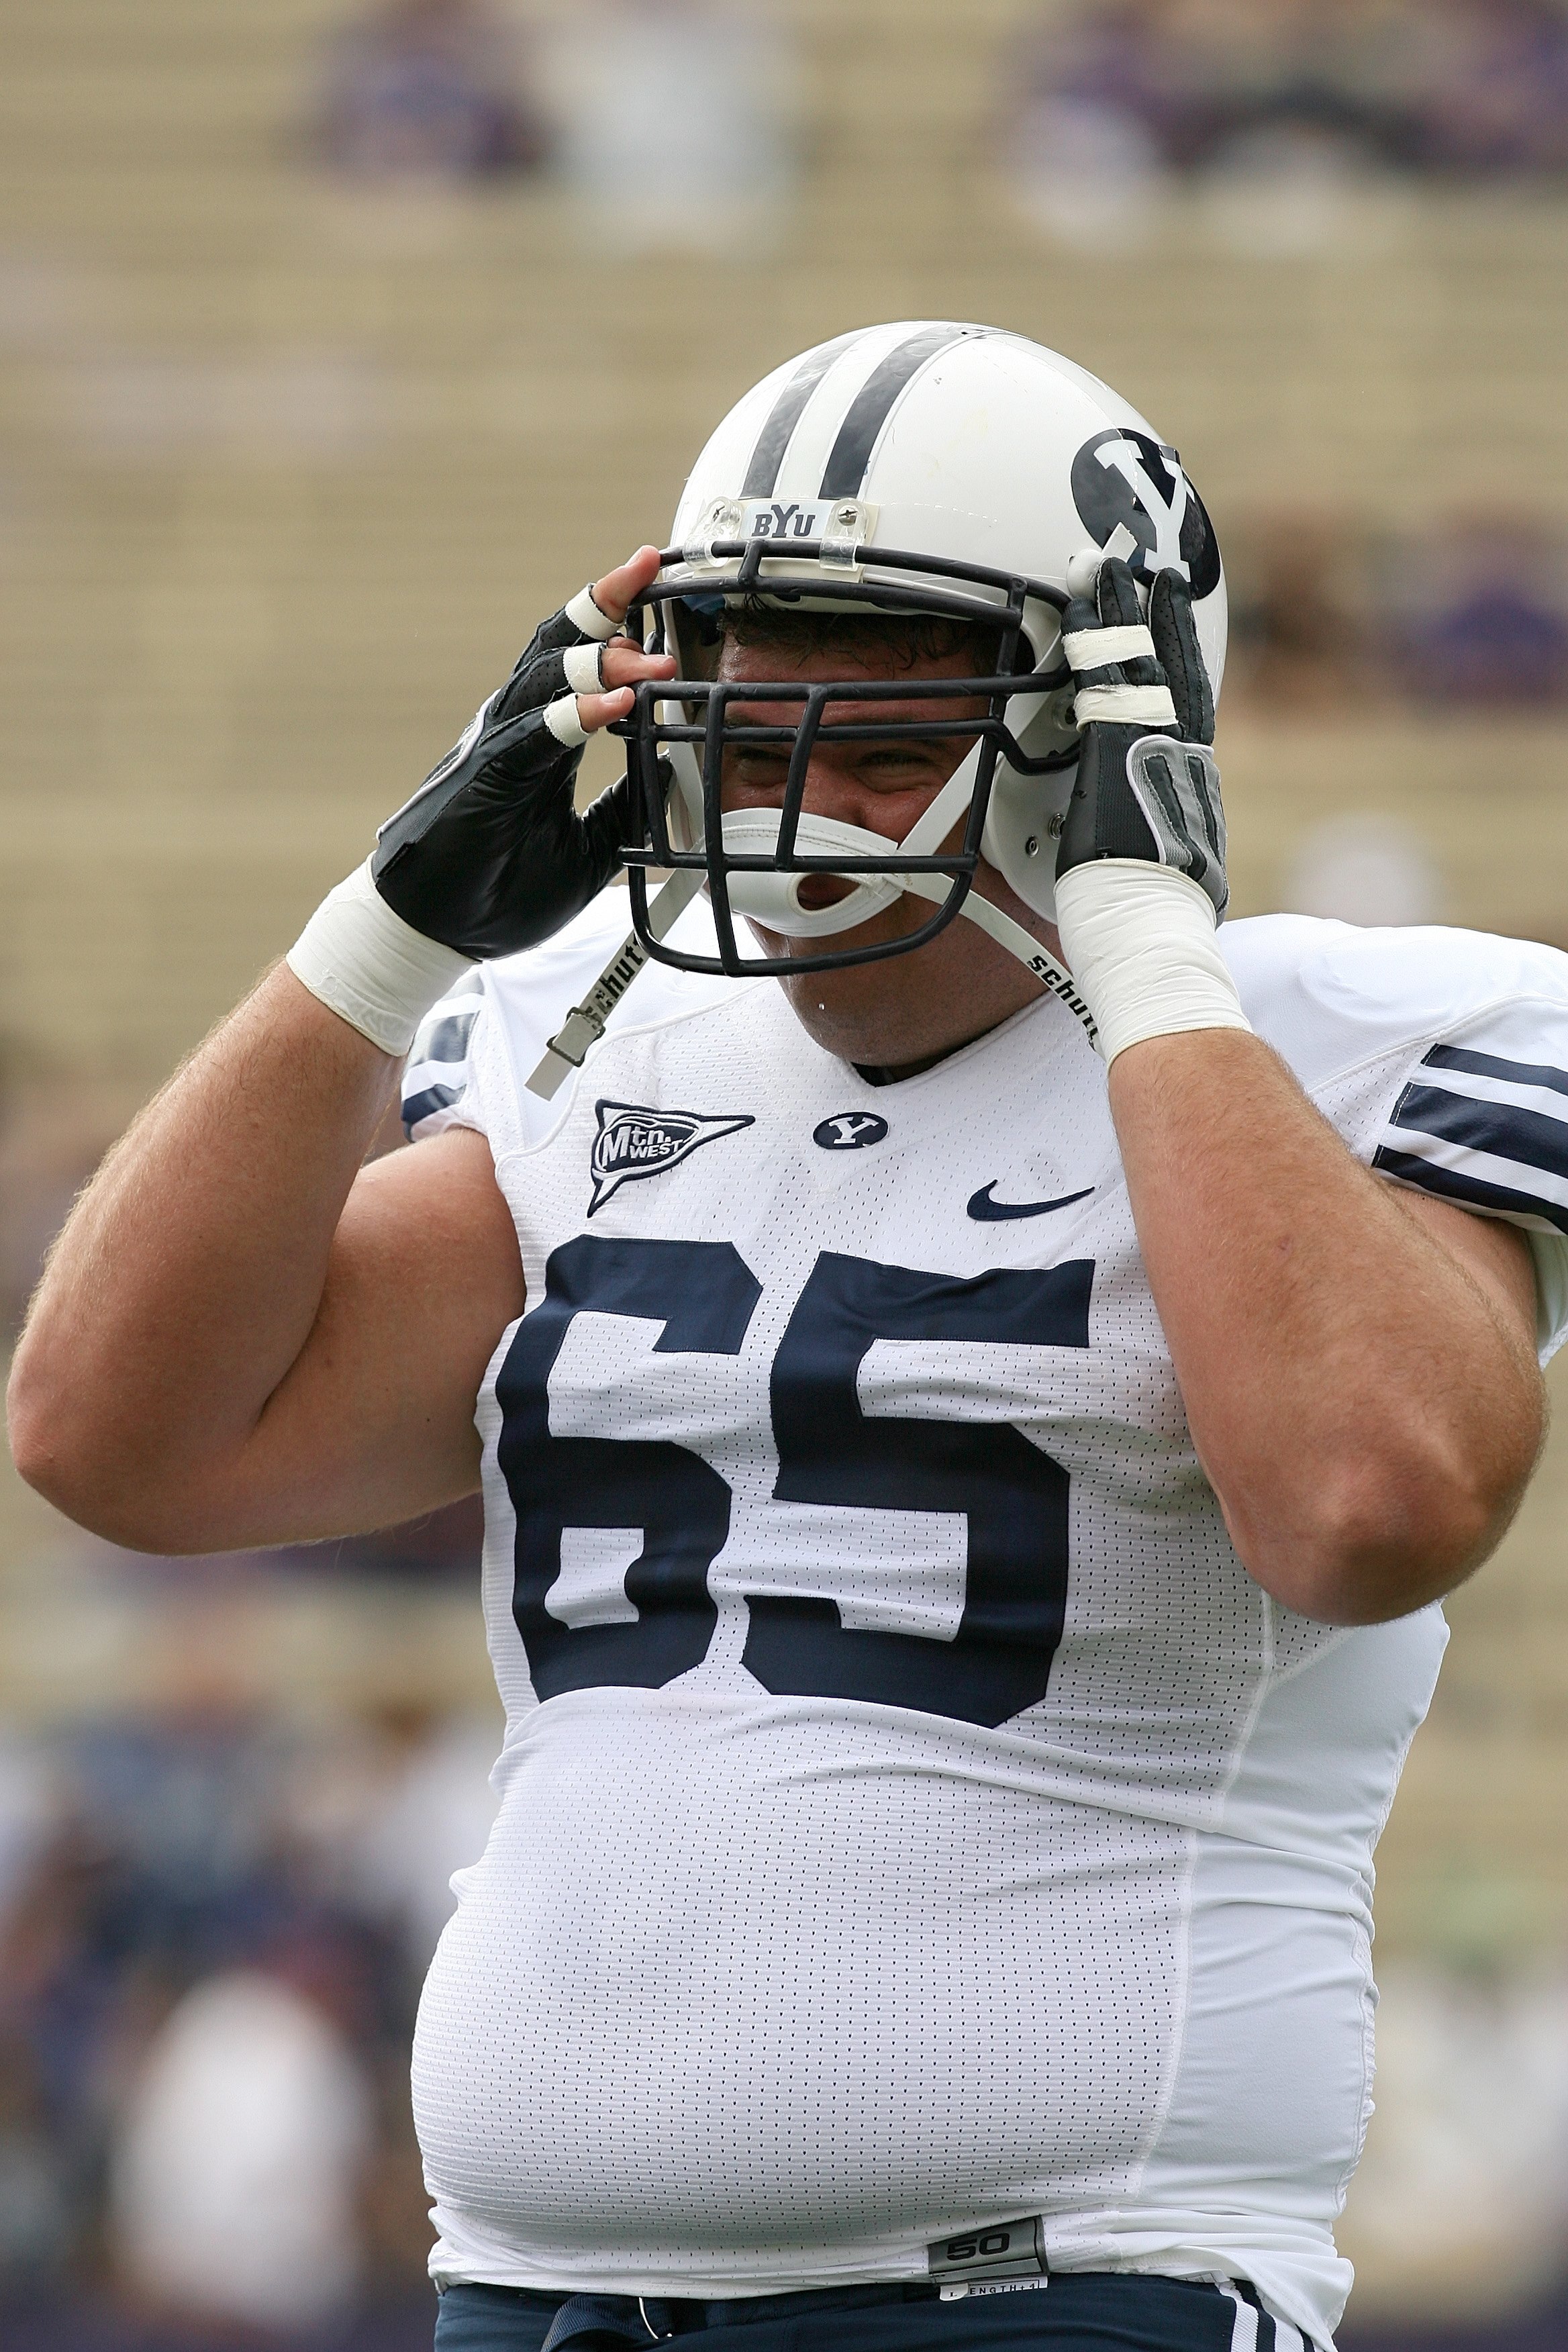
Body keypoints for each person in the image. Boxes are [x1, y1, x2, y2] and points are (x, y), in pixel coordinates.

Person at [10, 324, 1566, 2352]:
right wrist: (379, 936)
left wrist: (1148, 961)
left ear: (1112, 741)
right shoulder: (589, 1051)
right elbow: (115, 1439)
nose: (803, 824)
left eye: (886, 752)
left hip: (1057, 2290)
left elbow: (1370, 1506)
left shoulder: (1353, 1044)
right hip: (532, 2294)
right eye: (749, 748)